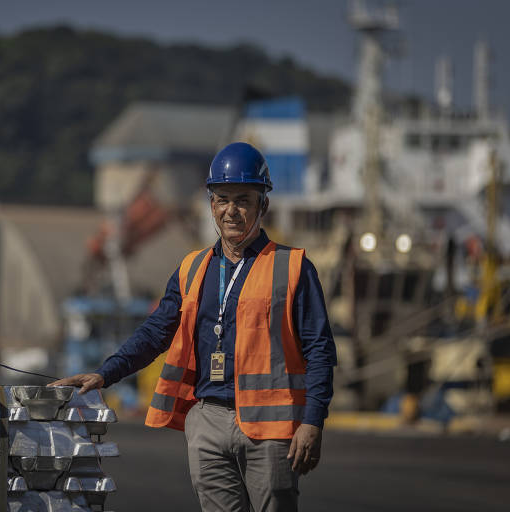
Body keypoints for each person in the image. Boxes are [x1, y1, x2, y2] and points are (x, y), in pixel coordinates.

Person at [50, 142, 337, 512]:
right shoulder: (192, 269)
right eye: (222, 199)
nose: (231, 210)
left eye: (243, 200)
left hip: (272, 428)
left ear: (263, 205)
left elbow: (319, 350)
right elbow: (156, 332)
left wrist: (312, 422)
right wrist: (106, 374)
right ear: (211, 204)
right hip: (207, 422)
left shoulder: (293, 268)